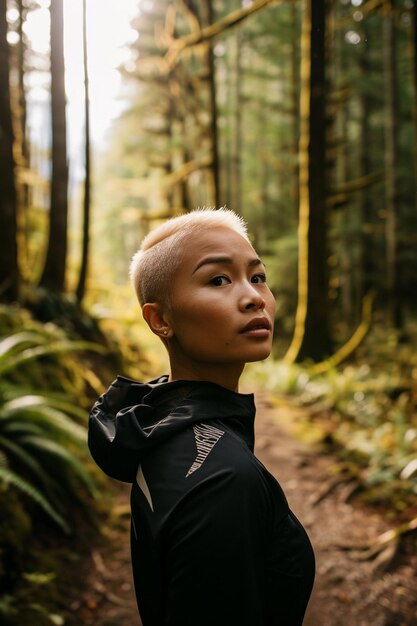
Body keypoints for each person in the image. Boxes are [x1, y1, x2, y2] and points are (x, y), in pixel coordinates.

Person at [88, 207, 315, 626]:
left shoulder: (157, 421)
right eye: (218, 280)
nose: (254, 297)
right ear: (161, 320)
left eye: (258, 276)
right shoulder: (223, 479)